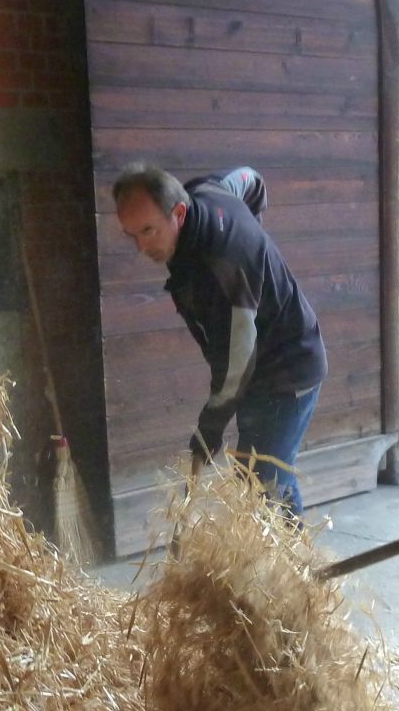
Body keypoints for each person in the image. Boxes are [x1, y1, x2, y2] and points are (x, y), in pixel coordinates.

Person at [112, 163, 326, 514]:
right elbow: (249, 178)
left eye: (149, 230)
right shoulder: (207, 191)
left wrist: (210, 426)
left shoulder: (223, 267)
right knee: (269, 475)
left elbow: (237, 361)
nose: (141, 246)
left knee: (259, 487)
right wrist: (254, 231)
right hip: (259, 371)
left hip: (287, 369)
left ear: (179, 213)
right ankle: (299, 549)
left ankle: (291, 551)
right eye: (131, 235)